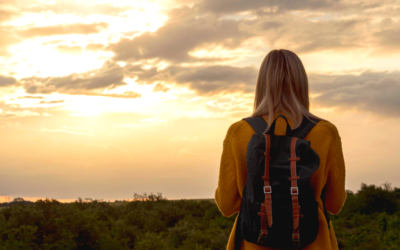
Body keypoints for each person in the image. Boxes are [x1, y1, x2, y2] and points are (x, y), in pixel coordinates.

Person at [215, 49, 346, 250]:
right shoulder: (326, 132)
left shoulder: (239, 132)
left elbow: (226, 205)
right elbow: (334, 204)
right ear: (302, 84)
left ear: (262, 85)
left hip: (254, 243)